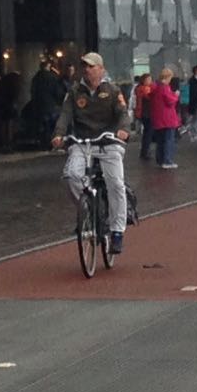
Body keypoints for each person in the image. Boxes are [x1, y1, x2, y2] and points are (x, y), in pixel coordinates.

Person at [52, 52, 131, 253]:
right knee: (72, 176)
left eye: (91, 66)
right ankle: (90, 214)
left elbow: (123, 113)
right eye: (84, 66)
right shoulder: (74, 91)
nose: (87, 70)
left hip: (108, 142)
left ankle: (117, 231)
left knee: (115, 185)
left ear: (101, 69)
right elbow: (65, 115)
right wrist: (59, 134)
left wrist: (123, 130)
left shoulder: (112, 91)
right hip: (82, 142)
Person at [150, 67, 181, 169]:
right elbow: (170, 101)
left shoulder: (155, 87)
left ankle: (160, 160)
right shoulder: (165, 87)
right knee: (169, 140)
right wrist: (176, 95)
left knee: (160, 141)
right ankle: (167, 160)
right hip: (167, 118)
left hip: (158, 118)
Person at [134, 73, 155, 160]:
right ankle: (145, 151)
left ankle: (144, 150)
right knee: (148, 133)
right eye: (149, 80)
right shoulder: (145, 89)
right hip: (147, 113)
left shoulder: (138, 88)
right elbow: (150, 97)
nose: (150, 81)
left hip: (142, 113)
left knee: (147, 133)